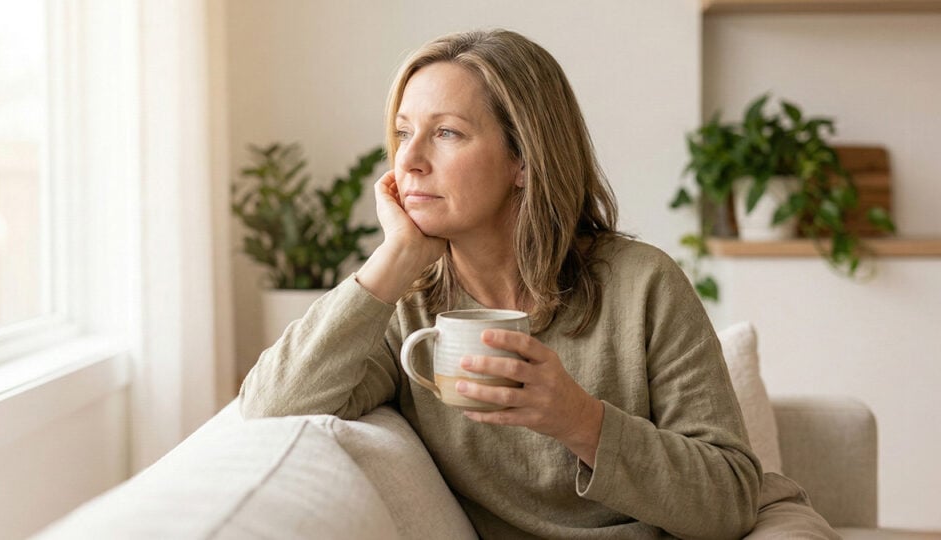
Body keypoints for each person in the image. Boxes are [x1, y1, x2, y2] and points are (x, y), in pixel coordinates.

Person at [240, 29, 836, 539]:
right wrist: (394, 259)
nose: (409, 161)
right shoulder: (408, 312)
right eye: (403, 133)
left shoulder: (642, 282)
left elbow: (729, 500)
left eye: (446, 132)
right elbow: (270, 406)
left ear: (523, 160)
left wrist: (577, 417)